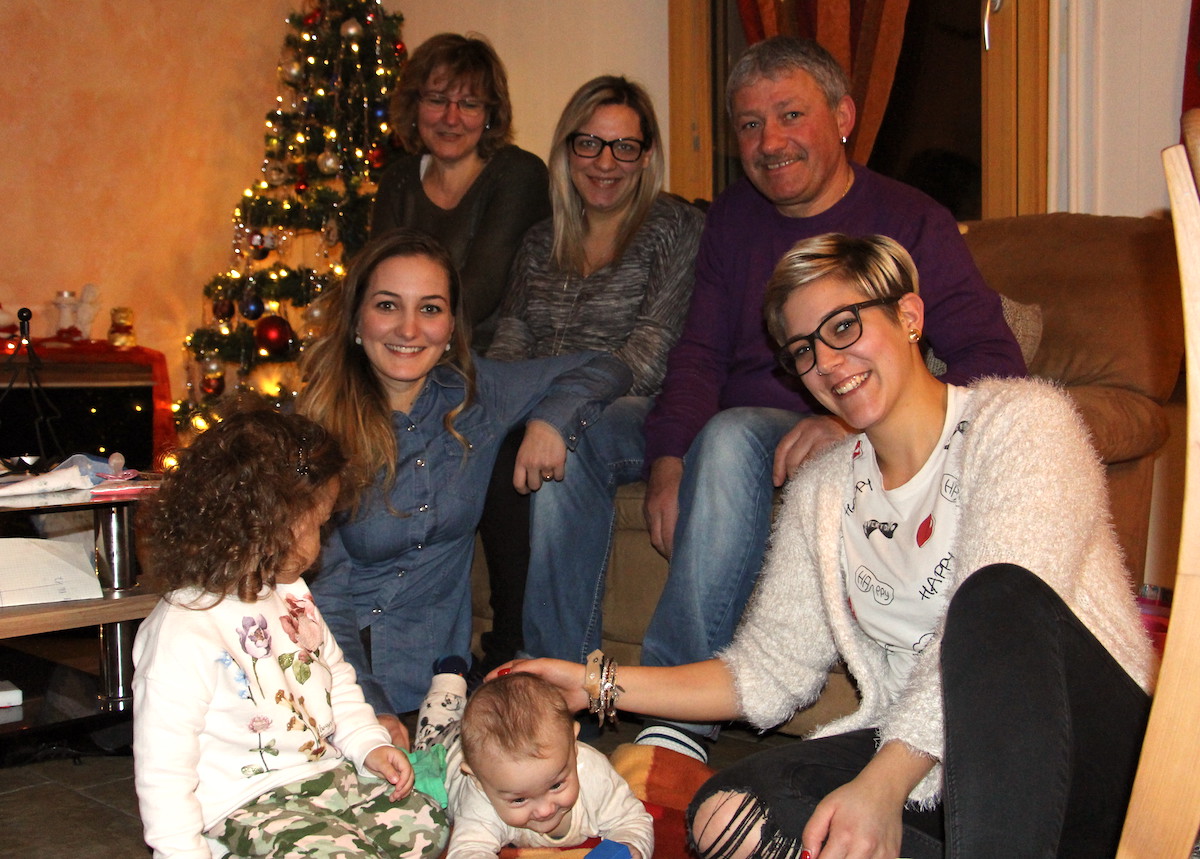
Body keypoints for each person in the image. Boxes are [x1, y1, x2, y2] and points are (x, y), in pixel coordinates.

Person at [505, 232, 1157, 858]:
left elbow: (1009, 625)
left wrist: (881, 784)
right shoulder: (826, 487)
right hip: (931, 765)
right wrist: (593, 683)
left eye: (844, 327)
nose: (827, 363)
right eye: (804, 350)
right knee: (726, 816)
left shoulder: (1021, 422)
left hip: (1084, 756)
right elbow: (763, 672)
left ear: (909, 315)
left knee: (995, 598)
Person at [631, 35, 1028, 759]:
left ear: (844, 117)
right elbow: (698, 353)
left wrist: (849, 418)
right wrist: (665, 459)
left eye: (790, 115)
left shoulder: (912, 221)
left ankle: (672, 728)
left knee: (728, 432)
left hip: (812, 421)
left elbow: (997, 365)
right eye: (749, 124)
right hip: (751, 422)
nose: (769, 141)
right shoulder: (730, 220)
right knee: (699, 434)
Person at [297, 228, 631, 747]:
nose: (409, 329)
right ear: (357, 321)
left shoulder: (478, 395)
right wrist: (367, 705)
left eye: (430, 309)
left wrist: (550, 420)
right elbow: (325, 590)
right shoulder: (314, 431)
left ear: (452, 327)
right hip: (332, 672)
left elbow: (606, 364)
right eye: (388, 305)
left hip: (441, 686)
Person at [132, 409, 447, 859]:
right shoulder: (183, 630)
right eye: (319, 525)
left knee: (427, 821)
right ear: (272, 524)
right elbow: (163, 772)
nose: (324, 540)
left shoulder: (292, 593)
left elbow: (336, 679)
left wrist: (368, 745)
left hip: (323, 778)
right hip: (245, 807)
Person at [480, 75, 704, 670]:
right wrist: (480, 405)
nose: (606, 163)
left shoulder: (675, 228)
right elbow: (512, 337)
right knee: (478, 445)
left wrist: (559, 410)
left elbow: (650, 352)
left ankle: (554, 672)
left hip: (631, 407)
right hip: (540, 401)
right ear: (566, 149)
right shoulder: (539, 241)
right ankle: (467, 654)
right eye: (589, 144)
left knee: (561, 450)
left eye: (624, 146)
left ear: (647, 154)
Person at [372, 32, 550, 350]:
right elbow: (378, 285)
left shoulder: (519, 174)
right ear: (414, 106)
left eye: (469, 104)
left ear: (489, 115)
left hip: (492, 359)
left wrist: (404, 344)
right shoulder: (397, 181)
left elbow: (478, 294)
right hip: (407, 351)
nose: (451, 118)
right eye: (437, 100)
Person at [411, 668, 654, 858]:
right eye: (519, 799)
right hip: (447, 753)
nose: (545, 810)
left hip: (485, 752)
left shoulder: (593, 773)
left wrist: (629, 844)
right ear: (478, 782)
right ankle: (449, 677)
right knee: (433, 729)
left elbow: (632, 820)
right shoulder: (480, 800)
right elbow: (468, 849)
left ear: (573, 742)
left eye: (557, 785)